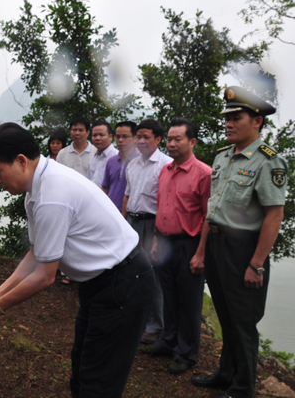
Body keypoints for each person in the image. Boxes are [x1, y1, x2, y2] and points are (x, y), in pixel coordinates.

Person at [0, 122, 155, 398]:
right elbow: (36, 253)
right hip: (102, 284)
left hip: (123, 282)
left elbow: (45, 276)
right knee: (82, 368)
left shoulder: (52, 195)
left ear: (20, 161)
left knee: (98, 382)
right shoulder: (37, 187)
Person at [190, 87, 287, 398]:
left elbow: (274, 216)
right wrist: (202, 250)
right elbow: (212, 210)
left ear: (257, 121)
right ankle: (226, 374)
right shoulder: (223, 156)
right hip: (218, 245)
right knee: (226, 314)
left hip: (245, 250)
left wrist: (256, 264)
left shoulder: (268, 161)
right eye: (227, 118)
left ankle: (243, 388)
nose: (228, 123)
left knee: (243, 322)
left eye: (236, 117)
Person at [140, 118, 211, 375]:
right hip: (166, 241)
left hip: (189, 244)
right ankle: (168, 341)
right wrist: (157, 241)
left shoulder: (203, 173)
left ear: (192, 141)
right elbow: (163, 208)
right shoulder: (165, 171)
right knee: (169, 296)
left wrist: (201, 252)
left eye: (177, 139)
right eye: (169, 139)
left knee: (189, 301)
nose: (171, 143)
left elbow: (208, 216)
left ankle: (186, 353)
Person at [122, 119, 173, 345]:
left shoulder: (166, 165)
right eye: (138, 137)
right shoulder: (132, 164)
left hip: (153, 224)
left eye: (146, 137)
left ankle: (155, 326)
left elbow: (166, 201)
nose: (141, 141)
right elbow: (127, 195)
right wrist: (123, 223)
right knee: (132, 272)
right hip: (133, 222)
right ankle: (137, 320)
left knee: (154, 275)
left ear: (158, 140)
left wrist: (159, 235)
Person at [101, 121, 139, 211]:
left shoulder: (140, 162)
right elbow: (105, 188)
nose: (120, 140)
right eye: (118, 137)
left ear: (135, 138)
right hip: (111, 212)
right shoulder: (111, 161)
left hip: (131, 214)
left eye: (125, 136)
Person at [87, 120, 118, 187]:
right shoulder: (93, 157)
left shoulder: (116, 157)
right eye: (94, 135)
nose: (97, 138)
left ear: (110, 137)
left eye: (101, 135)